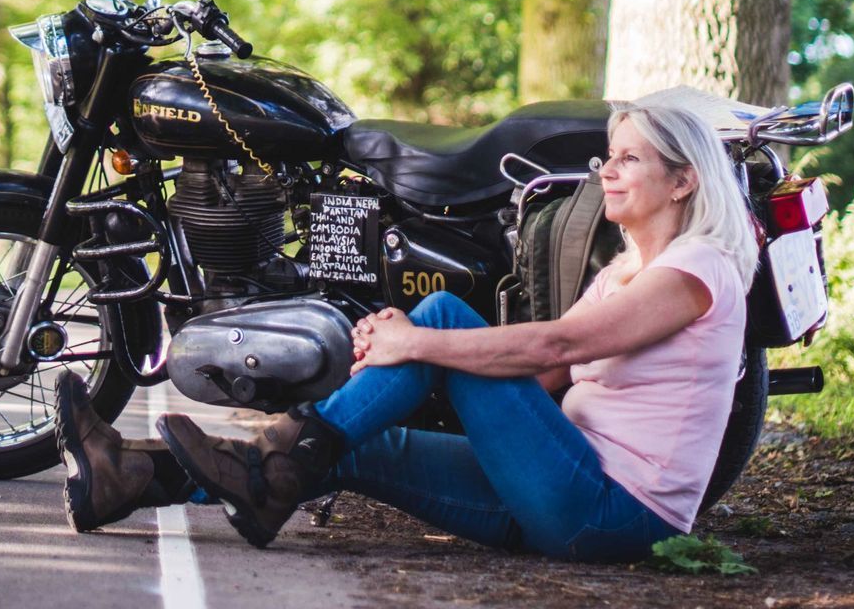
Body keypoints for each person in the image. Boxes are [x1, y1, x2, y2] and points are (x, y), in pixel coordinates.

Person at [53, 100, 759, 562]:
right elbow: (542, 378)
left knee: (444, 316)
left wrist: (420, 344)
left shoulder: (698, 271)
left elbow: (557, 348)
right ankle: (132, 477)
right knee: (360, 446)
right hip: (555, 483)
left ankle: (283, 458)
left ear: (684, 182)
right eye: (608, 156)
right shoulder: (624, 272)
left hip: (613, 514)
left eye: (629, 159)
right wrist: (409, 363)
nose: (606, 171)